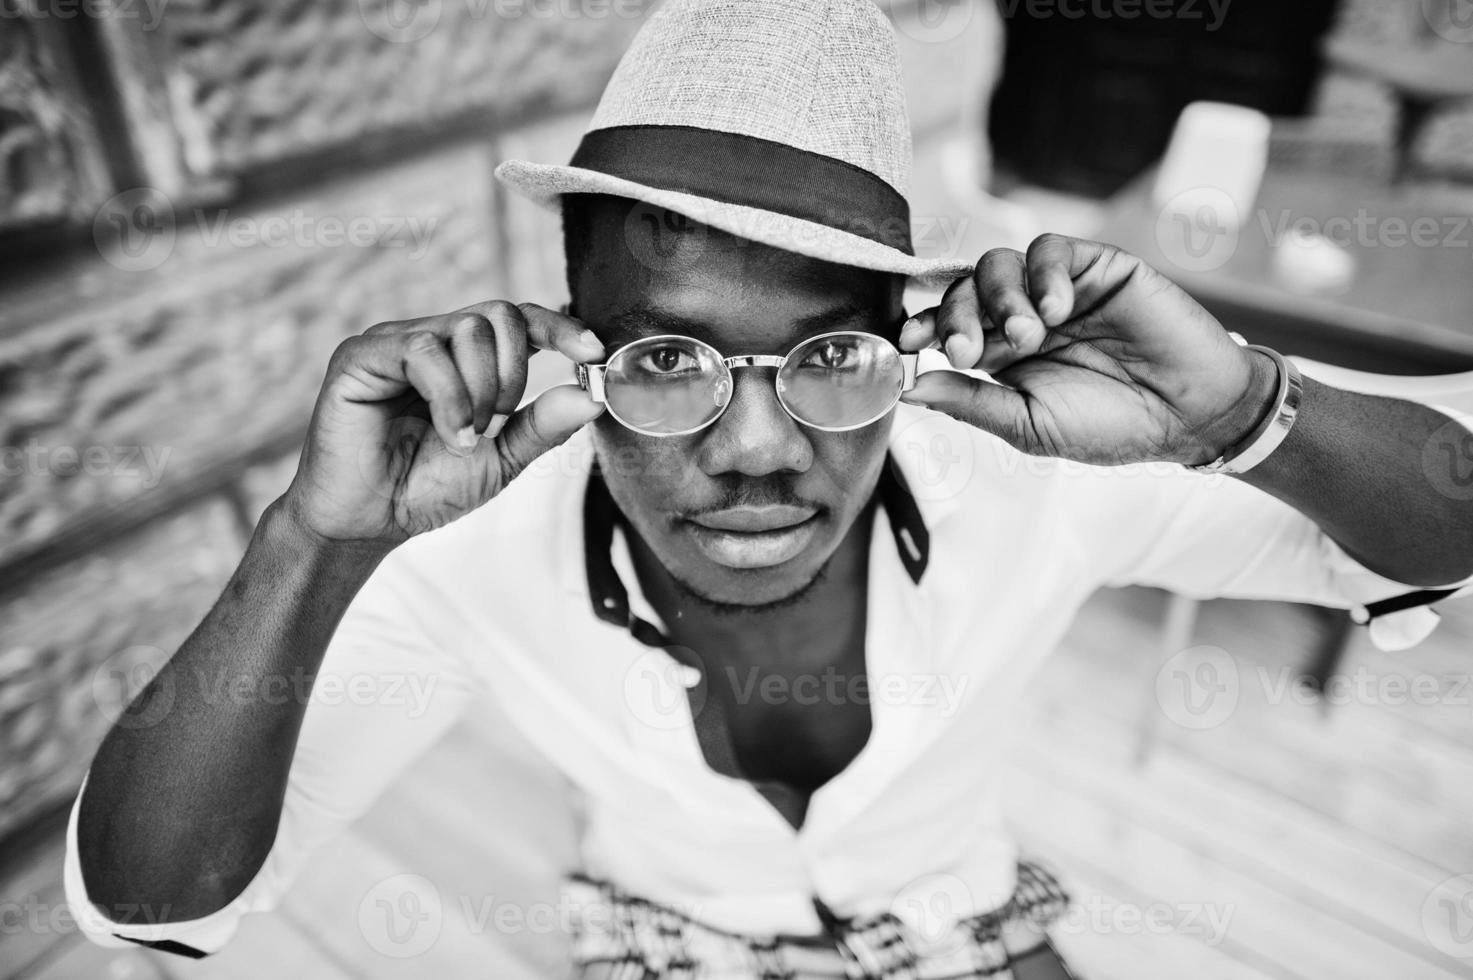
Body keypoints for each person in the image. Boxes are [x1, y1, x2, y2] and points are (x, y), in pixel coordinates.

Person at [64, 1, 1473, 977]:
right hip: (668, 923)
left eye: (827, 355)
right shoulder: (460, 546)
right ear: (576, 351)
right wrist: (313, 542)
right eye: (668, 357)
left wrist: (1237, 408)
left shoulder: (1023, 473)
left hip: (952, 908)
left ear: (908, 348)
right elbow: (155, 900)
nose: (752, 448)